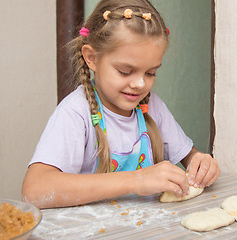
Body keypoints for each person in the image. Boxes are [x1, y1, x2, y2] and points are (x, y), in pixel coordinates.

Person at [22, 0, 220, 209]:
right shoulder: (76, 113)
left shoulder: (152, 107)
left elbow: (190, 157)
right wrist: (136, 180)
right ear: (92, 58)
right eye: (125, 72)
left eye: (151, 73)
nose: (140, 84)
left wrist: (201, 163)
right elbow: (34, 190)